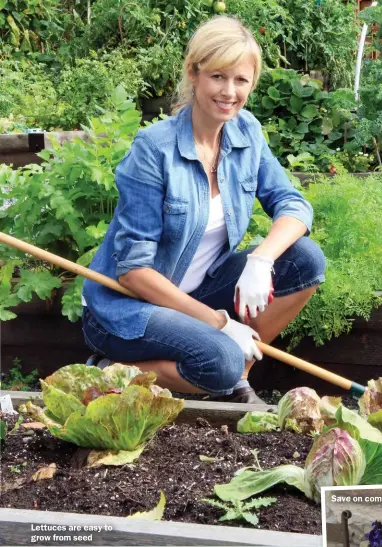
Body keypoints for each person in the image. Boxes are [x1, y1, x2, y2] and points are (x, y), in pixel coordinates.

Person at [82, 15, 326, 404]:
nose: (229, 91)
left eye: (241, 80)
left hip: (196, 290)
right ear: (194, 74)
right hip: (128, 308)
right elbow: (132, 271)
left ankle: (239, 379)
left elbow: (293, 204)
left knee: (305, 260)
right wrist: (219, 323)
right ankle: (109, 370)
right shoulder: (154, 150)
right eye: (218, 77)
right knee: (218, 363)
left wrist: (261, 261)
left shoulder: (247, 133)